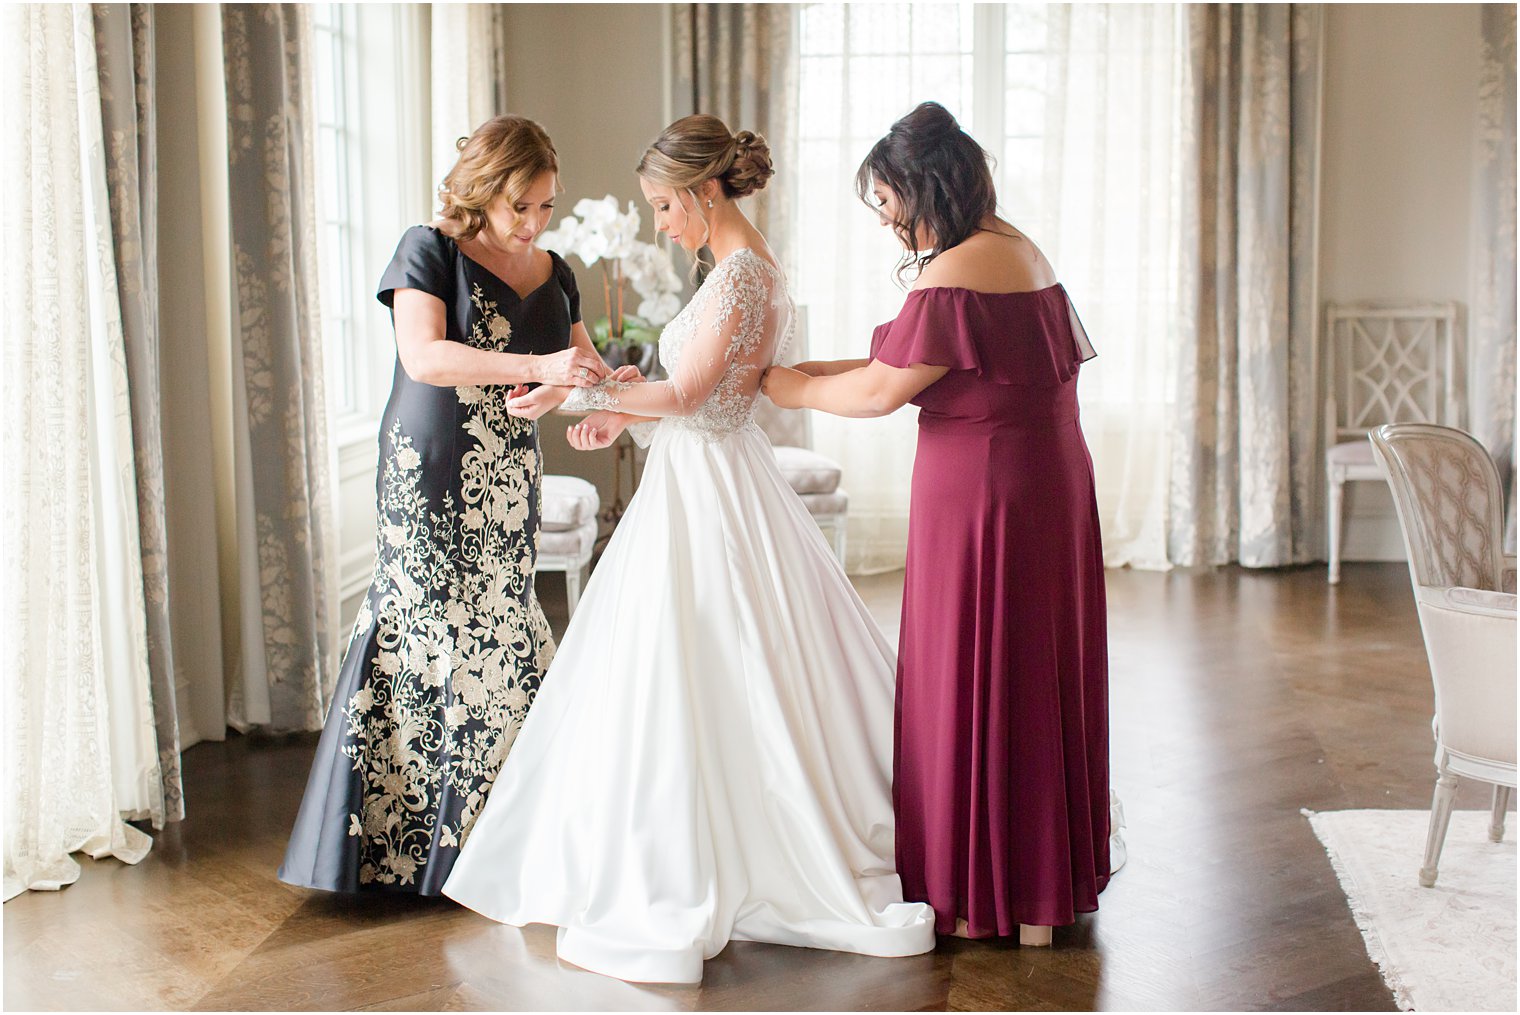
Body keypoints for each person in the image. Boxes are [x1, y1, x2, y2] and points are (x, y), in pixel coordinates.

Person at [440, 114, 936, 982]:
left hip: (712, 485)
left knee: (710, 656)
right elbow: (698, 392)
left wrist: (582, 383)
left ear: (705, 191)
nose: (660, 225)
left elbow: (702, 392)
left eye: (666, 206)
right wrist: (620, 401)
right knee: (678, 660)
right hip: (698, 471)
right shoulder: (732, 269)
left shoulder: (744, 274)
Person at [762, 101, 1110, 945]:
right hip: (1047, 483)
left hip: (985, 496)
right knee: (1034, 669)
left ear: (926, 193)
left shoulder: (953, 271)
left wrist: (782, 387)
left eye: (889, 205)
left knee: (976, 666)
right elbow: (910, 363)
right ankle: (1037, 892)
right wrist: (804, 368)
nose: (887, 225)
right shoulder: (1018, 249)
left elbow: (882, 392)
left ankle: (978, 892)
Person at [279, 115, 627, 895]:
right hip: (430, 463)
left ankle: (497, 839)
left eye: (546, 205)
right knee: (428, 627)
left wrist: (611, 393)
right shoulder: (428, 250)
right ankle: (405, 847)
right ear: (484, 189)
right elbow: (424, 356)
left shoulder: (557, 270)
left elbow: (581, 372)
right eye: (521, 207)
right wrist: (541, 360)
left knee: (503, 624)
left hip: (509, 475)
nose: (536, 222)